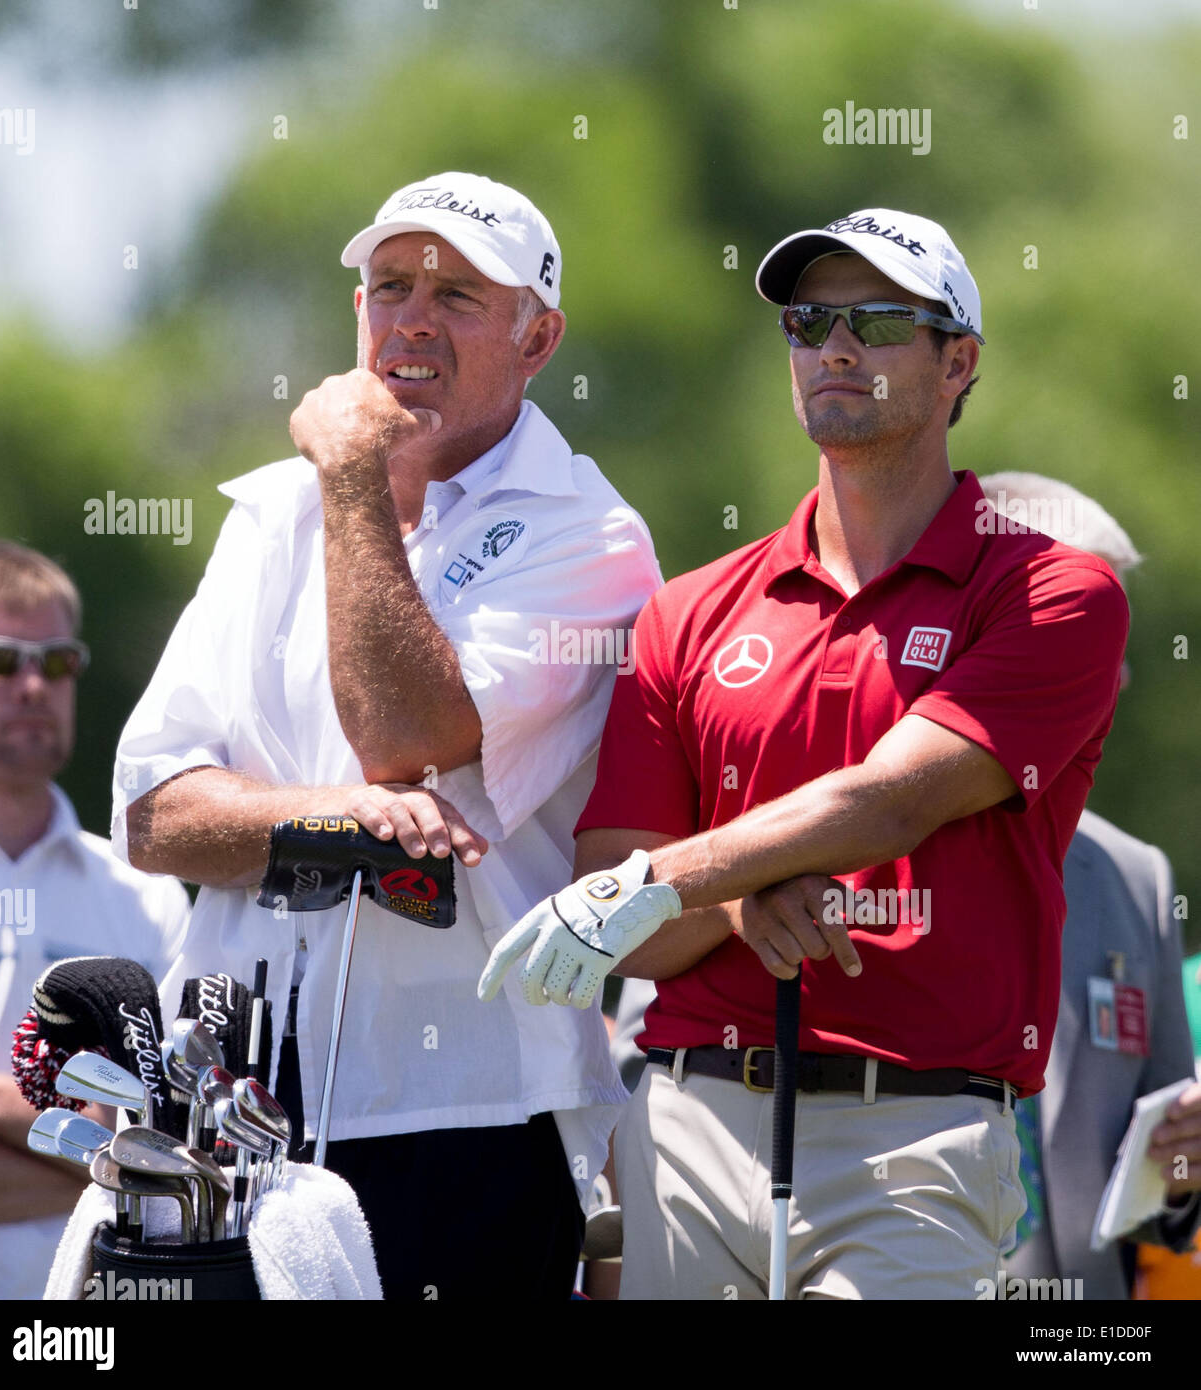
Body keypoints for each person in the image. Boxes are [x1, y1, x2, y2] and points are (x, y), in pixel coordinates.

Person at [480, 208, 1131, 1299]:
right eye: (808, 319)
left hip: (914, 1135)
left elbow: (892, 801)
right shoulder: (686, 611)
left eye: (877, 322)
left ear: (956, 360)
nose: (833, 346)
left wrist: (665, 880)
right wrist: (734, 904)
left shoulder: (1052, 591)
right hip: (688, 1118)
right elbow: (626, 919)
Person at [113, 172, 661, 1300]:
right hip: (230, 1101)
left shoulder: (589, 531)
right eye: (387, 285)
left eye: (458, 293)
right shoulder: (272, 509)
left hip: (467, 1112)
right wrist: (331, 823)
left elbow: (400, 735)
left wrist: (359, 472)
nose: (409, 316)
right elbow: (156, 816)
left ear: (537, 338)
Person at [972, 473, 1201, 1300]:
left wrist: (1184, 1162)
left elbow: (1168, 1182)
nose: (1125, 674)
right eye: (1086, 629)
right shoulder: (838, 828)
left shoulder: (1138, 877)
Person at [0, 540, 190, 1300]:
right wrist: (106, 1175)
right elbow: (151, 1176)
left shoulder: (146, 891)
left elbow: (178, 1146)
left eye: (57, 662)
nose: (32, 684)